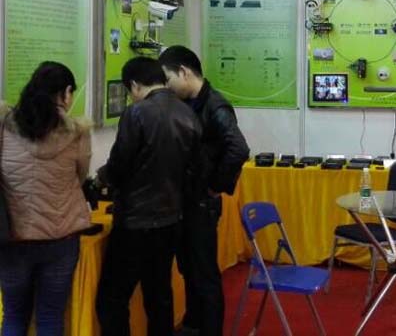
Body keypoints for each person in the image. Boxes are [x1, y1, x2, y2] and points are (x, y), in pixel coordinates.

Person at [95, 57, 203, 336]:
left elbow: (119, 165)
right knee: (159, 296)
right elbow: (194, 168)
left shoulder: (137, 113)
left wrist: (102, 177)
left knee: (112, 298)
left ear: (134, 85)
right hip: (170, 220)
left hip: (135, 222)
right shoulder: (188, 113)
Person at [159, 46, 249, 336]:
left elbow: (238, 149)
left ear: (184, 72)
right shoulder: (189, 103)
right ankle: (193, 325)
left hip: (202, 203)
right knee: (189, 270)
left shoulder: (216, 106)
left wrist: (215, 185)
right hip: (186, 200)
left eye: (168, 79)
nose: (167, 87)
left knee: (205, 275)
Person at [0, 61, 91, 336]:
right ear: (66, 93)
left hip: (12, 238)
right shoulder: (77, 133)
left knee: (14, 315)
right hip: (60, 239)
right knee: (50, 316)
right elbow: (81, 177)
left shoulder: (4, 126)